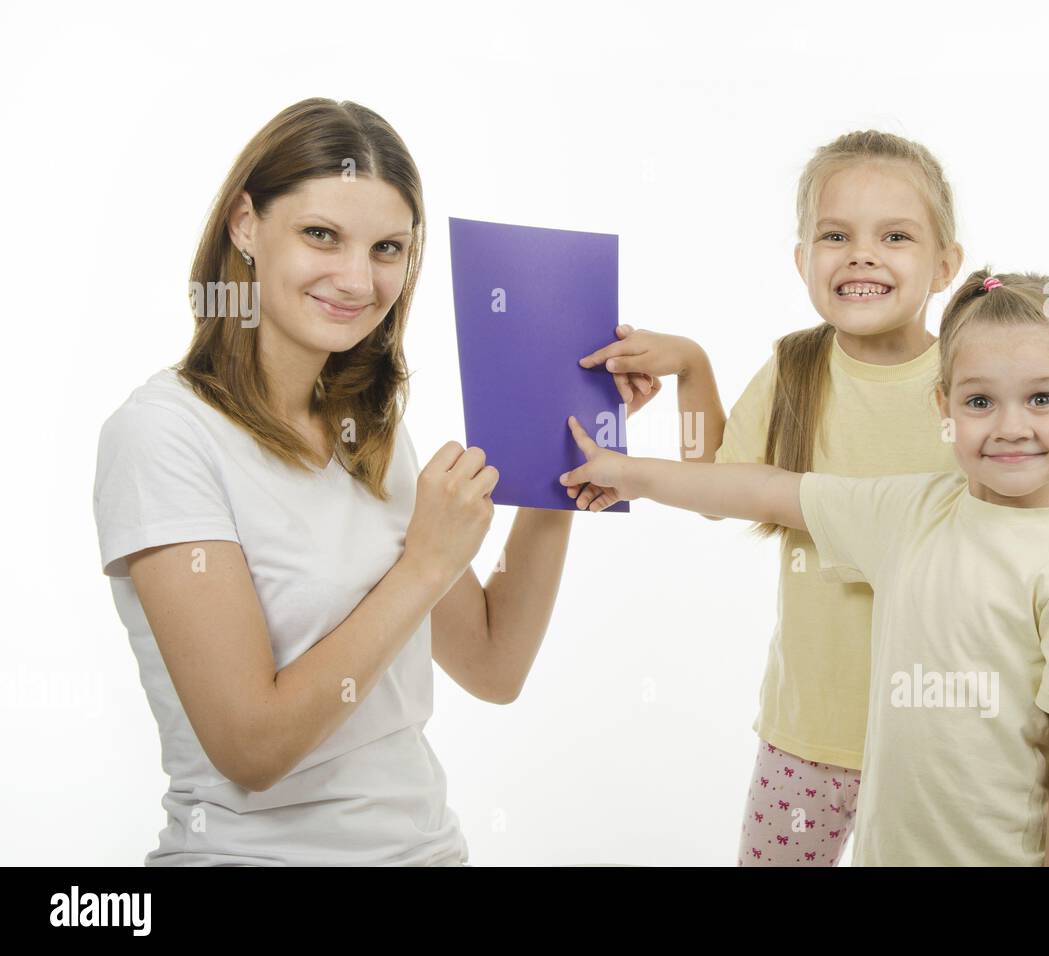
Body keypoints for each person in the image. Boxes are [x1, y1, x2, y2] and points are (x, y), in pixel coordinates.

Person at [91, 97, 653, 866]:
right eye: (322, 235)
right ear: (245, 225)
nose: (358, 280)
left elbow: (493, 664)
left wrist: (562, 464)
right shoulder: (163, 435)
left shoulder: (370, 433)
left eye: (387, 248)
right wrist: (423, 564)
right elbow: (251, 748)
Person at [574, 130, 1049, 864]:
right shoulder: (799, 368)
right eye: (836, 235)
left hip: (954, 739)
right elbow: (721, 487)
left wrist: (1011, 614)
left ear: (944, 265)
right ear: (802, 259)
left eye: (894, 236)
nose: (862, 256)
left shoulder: (987, 381)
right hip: (813, 725)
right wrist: (692, 371)